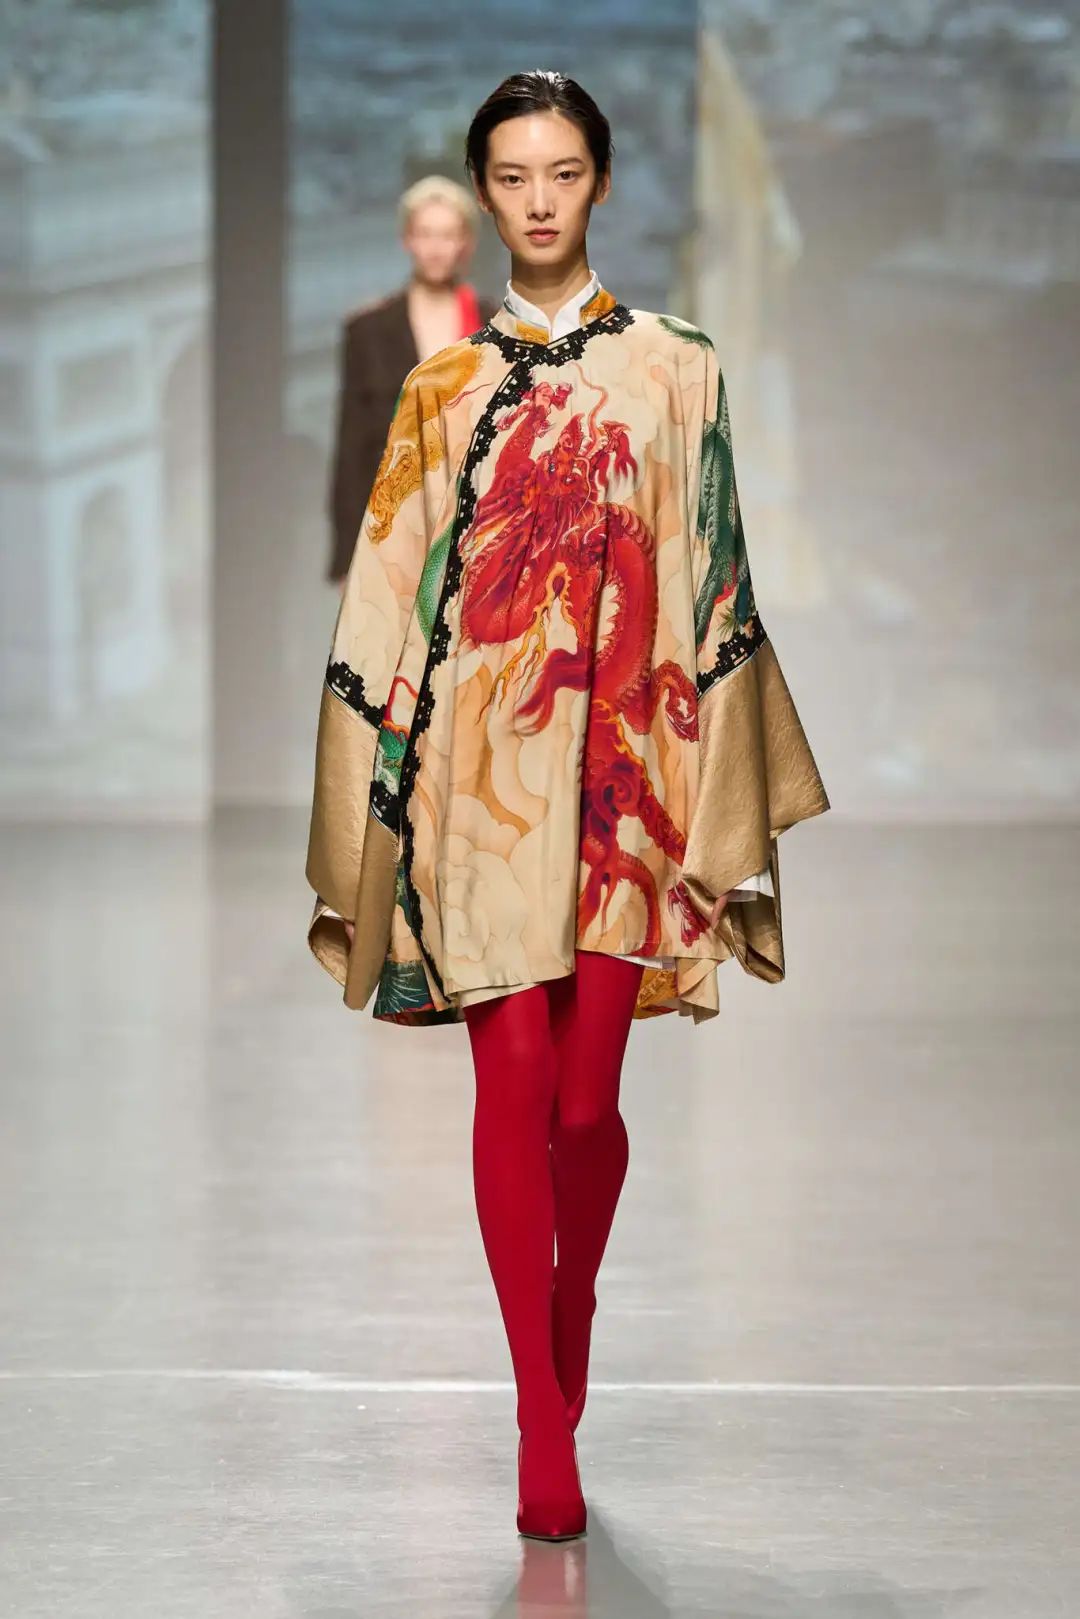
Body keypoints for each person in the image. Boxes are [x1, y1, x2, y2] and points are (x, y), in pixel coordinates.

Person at [303, 71, 830, 1541]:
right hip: (478, 783)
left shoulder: (680, 367)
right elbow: (388, 597)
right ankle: (542, 1412)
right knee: (514, 1086)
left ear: (601, 182)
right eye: (512, 175)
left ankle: (571, 1297)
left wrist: (722, 778)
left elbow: (715, 571)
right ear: (483, 193)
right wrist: (376, 795)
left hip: (628, 779)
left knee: (589, 1104)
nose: (538, 200)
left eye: (564, 172)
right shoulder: (441, 391)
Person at [326, 175, 497, 588]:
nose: (436, 248)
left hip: (474, 523)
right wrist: (347, 555)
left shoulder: (495, 326)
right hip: (391, 523)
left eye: (447, 235)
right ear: (407, 240)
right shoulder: (368, 330)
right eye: (425, 234)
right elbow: (352, 445)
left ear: (466, 243)